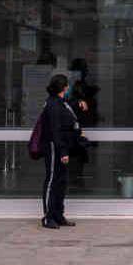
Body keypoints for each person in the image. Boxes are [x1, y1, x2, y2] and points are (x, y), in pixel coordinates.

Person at [36, 74, 81, 229]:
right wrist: (63, 152)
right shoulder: (53, 105)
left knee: (62, 181)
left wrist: (79, 103)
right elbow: (55, 131)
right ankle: (48, 217)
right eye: (67, 85)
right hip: (54, 148)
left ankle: (58, 214)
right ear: (63, 87)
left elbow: (68, 108)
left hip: (62, 146)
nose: (69, 88)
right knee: (52, 180)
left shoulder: (60, 102)